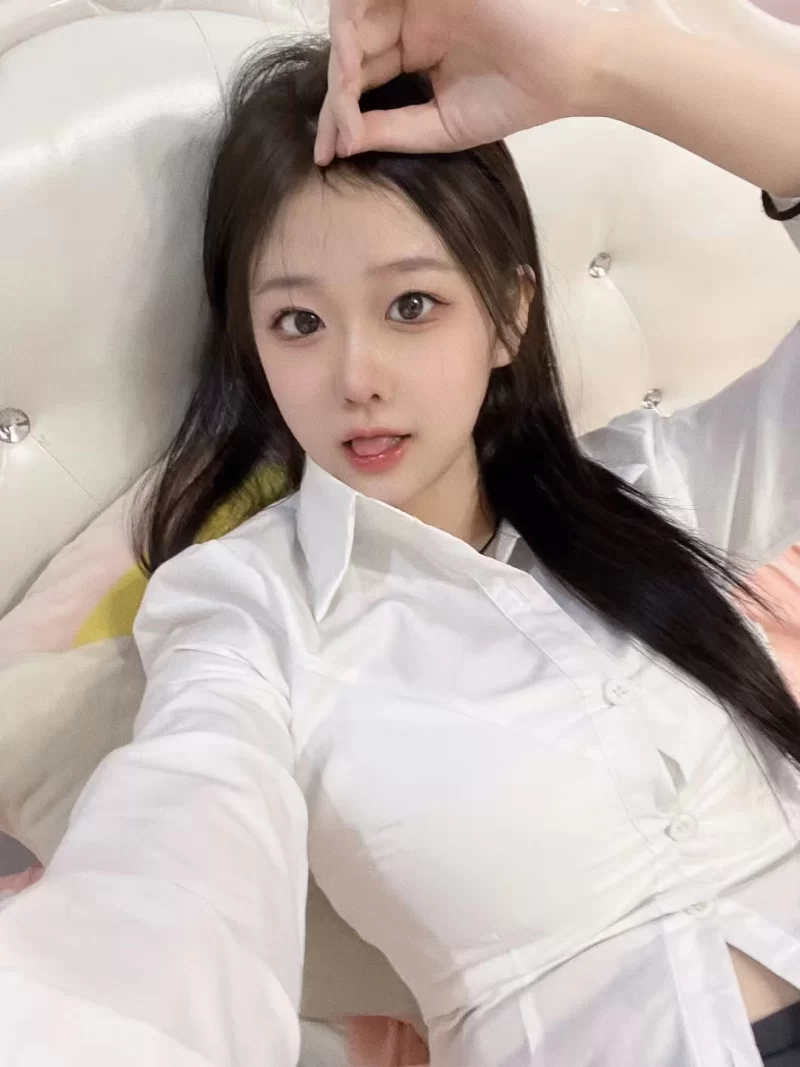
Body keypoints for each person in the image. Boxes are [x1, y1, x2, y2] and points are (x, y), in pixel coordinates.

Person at [0, 1, 799, 1064]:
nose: (356, 378)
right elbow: (182, 843)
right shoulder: (246, 607)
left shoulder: (656, 482)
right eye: (298, 321)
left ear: (508, 313)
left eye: (411, 306)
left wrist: (605, 62)